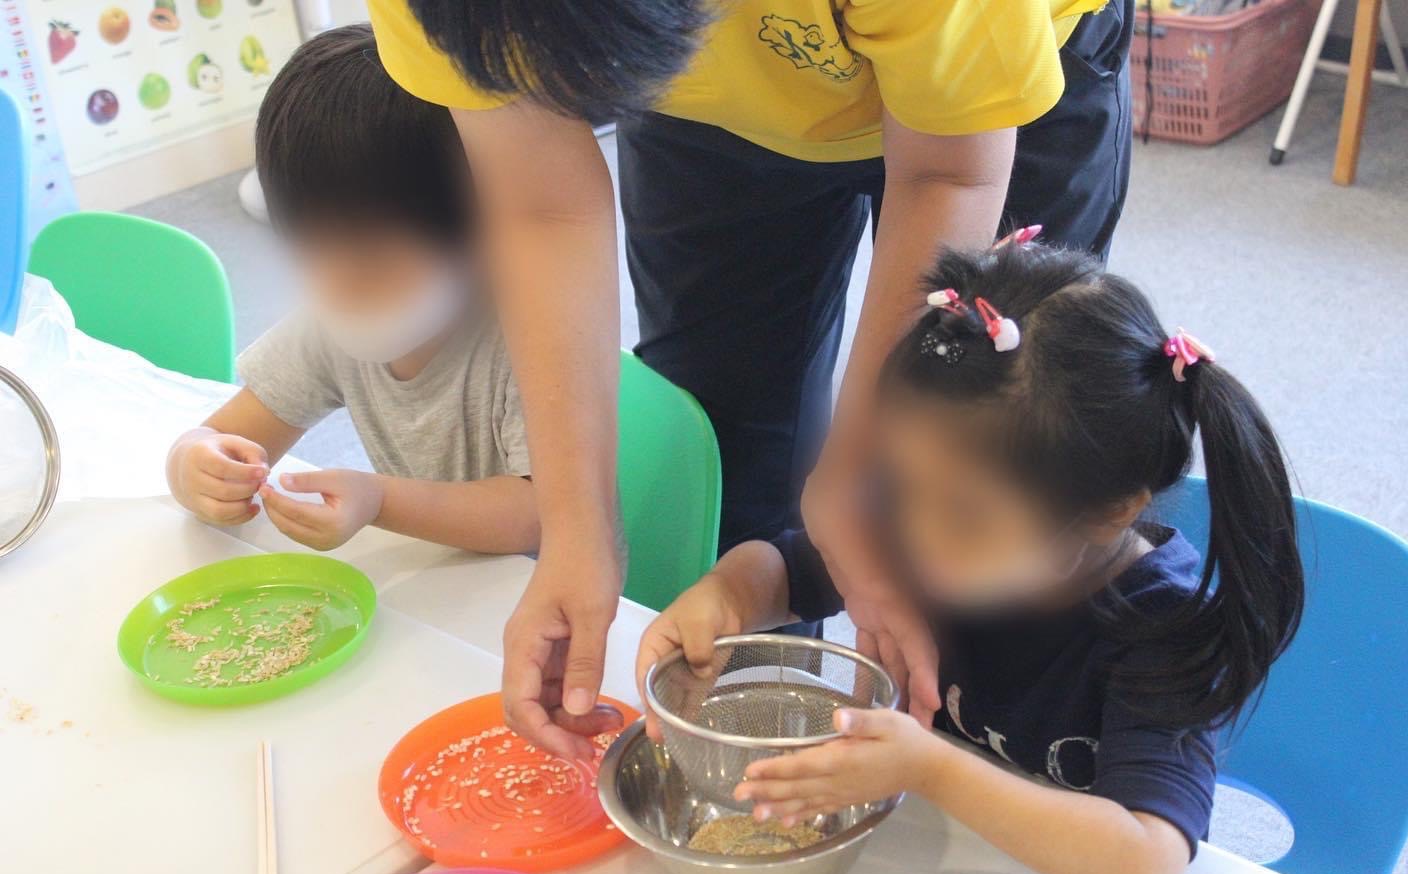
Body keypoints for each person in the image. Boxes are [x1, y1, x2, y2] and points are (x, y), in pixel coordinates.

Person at [367, 0, 1134, 756]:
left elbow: (949, 173)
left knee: (986, 480)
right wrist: (576, 529)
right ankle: (765, 753)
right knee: (731, 476)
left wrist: (854, 473)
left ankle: (1008, 754)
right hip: (705, 113)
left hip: (991, 86)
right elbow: (541, 205)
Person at [635, 242, 1305, 874]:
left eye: (965, 513)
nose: (917, 532)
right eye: (900, 483)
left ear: (1107, 514)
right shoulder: (927, 530)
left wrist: (929, 768)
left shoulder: (1164, 628)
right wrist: (725, 595)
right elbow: (787, 568)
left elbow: (1143, 871)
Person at [166, 25, 536, 556]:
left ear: (478, 229)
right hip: (441, 578)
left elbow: (537, 515)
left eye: (372, 266)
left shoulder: (529, 340)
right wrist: (195, 464)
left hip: (538, 586)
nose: (339, 288)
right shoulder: (331, 324)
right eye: (309, 253)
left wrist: (380, 501)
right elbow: (223, 436)